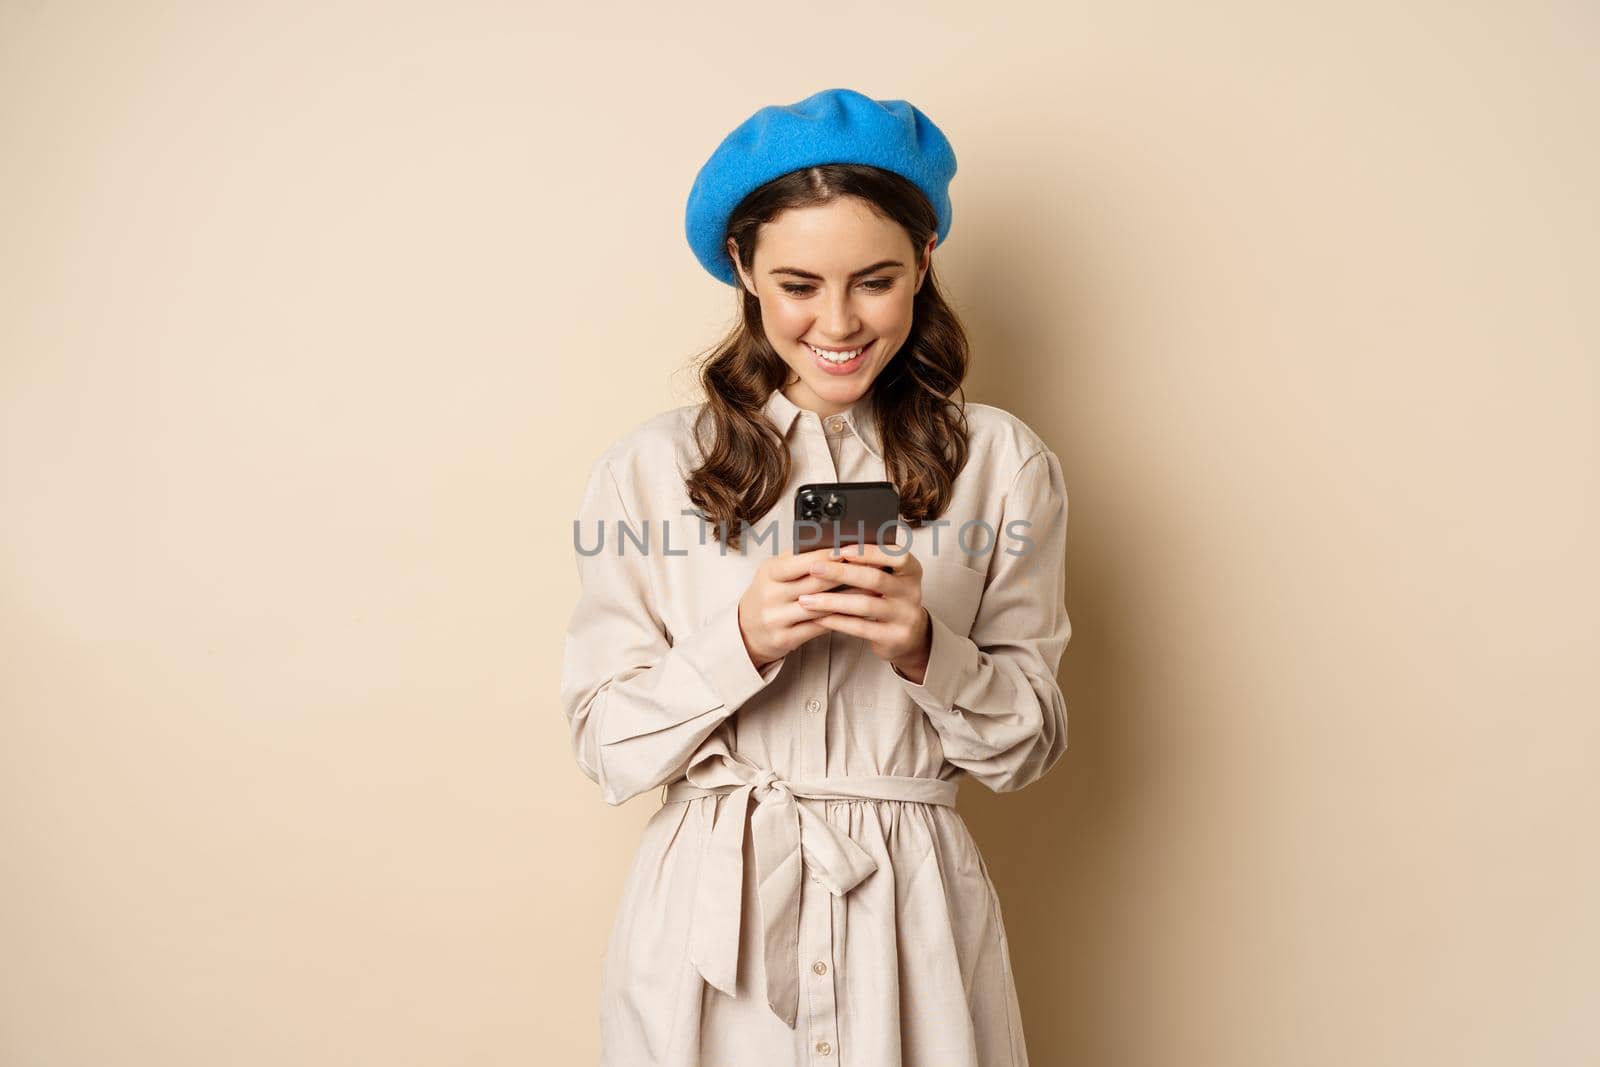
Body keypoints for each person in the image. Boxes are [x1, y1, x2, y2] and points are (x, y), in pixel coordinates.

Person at [560, 87, 1072, 1066]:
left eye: (874, 279)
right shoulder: (650, 468)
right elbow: (606, 745)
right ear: (743, 269)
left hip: (910, 917)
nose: (836, 320)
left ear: (924, 263)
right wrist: (740, 640)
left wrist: (927, 649)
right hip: (710, 931)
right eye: (798, 283)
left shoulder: (1004, 464)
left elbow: (1026, 748)